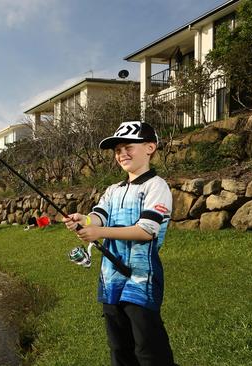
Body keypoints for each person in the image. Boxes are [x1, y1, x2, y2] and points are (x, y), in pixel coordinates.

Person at [62, 121, 176, 366]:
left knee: (148, 348)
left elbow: (147, 230)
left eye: (128, 147)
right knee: (119, 347)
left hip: (141, 278)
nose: (122, 153)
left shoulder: (156, 186)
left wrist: (98, 232)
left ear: (150, 147)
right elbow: (99, 215)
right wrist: (83, 220)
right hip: (111, 277)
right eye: (117, 150)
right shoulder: (113, 189)